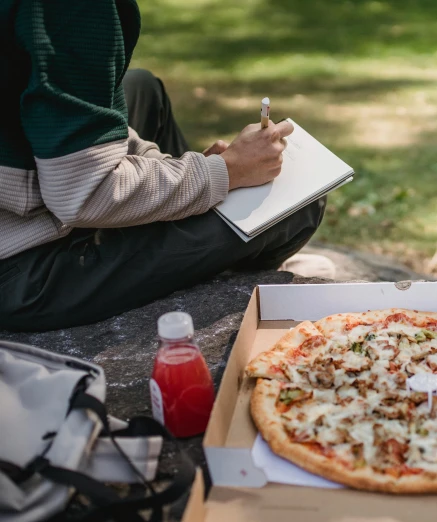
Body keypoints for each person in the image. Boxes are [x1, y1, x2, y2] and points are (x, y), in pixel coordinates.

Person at [0, 1, 332, 332]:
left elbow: (80, 128)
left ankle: (203, 239)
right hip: (23, 268)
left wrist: (192, 170)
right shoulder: (73, 9)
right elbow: (86, 195)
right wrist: (225, 171)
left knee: (143, 90)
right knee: (298, 204)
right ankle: (240, 273)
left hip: (28, 195)